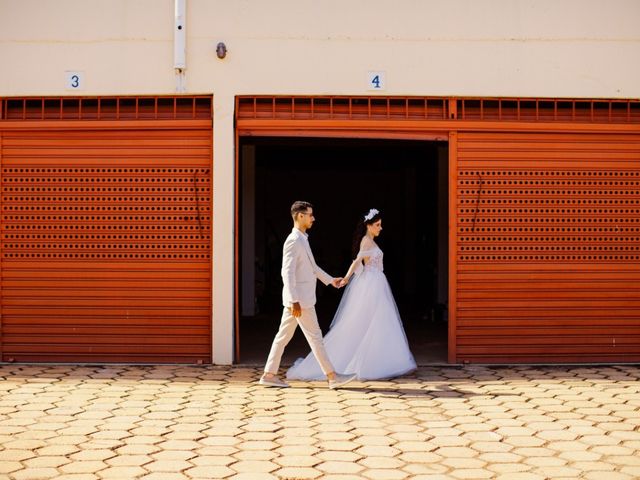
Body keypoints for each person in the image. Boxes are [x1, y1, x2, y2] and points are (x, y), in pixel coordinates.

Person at [287, 208, 417, 381]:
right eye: (377, 225)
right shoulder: (366, 241)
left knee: (379, 322)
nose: (380, 228)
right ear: (369, 226)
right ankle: (358, 364)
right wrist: (346, 278)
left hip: (377, 283)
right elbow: (357, 261)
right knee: (365, 322)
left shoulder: (371, 241)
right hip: (371, 284)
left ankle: (383, 359)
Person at [260, 201, 357, 389]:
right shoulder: (293, 240)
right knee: (315, 337)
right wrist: (294, 300)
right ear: (300, 216)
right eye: (310, 215)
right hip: (300, 301)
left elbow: (312, 268)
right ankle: (332, 376)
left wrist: (330, 280)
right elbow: (286, 272)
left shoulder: (302, 239)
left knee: (283, 337)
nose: (313, 218)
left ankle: (269, 374)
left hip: (300, 300)